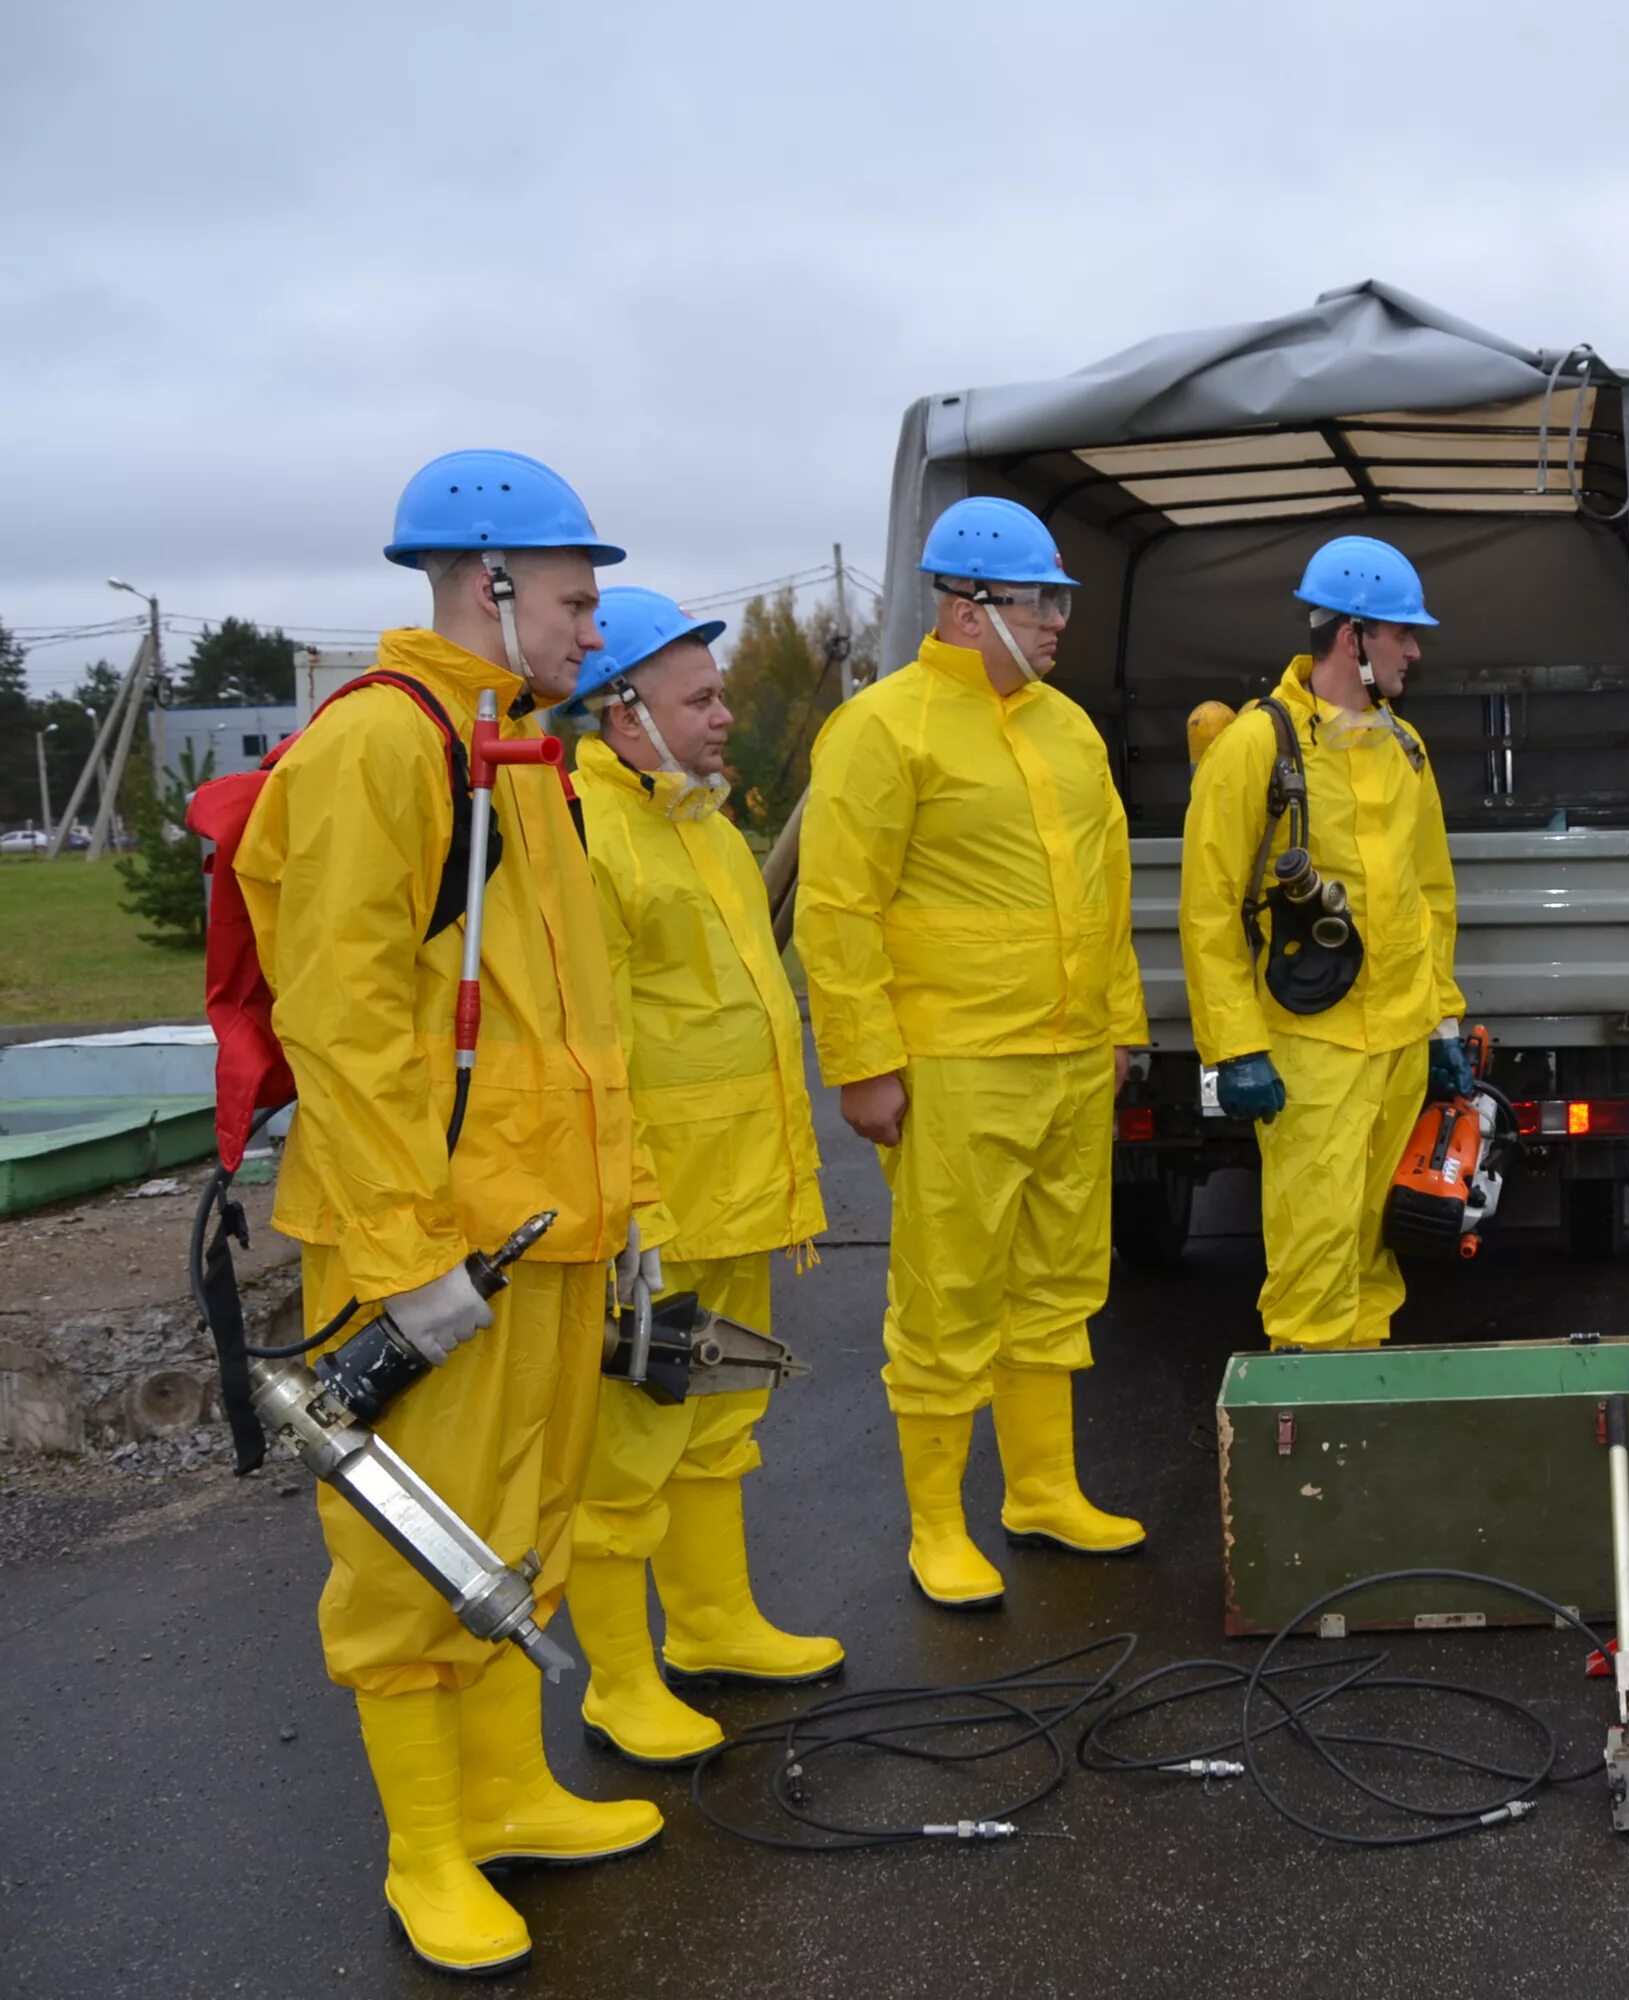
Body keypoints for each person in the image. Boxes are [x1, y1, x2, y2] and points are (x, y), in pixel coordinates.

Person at [232, 451, 661, 1974]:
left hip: (542, 1225)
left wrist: (628, 1198)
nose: (590, 625)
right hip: (434, 1244)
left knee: (525, 1520)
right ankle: (429, 1852)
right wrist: (408, 1255)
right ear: (488, 583)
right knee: (418, 1547)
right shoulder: (383, 749)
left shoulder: (517, 759)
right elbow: (341, 1020)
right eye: (572, 595)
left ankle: (510, 1794)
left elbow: (573, 1021)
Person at [796, 496, 1148, 1609]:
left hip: (1070, 1056)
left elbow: (1105, 893)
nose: (1058, 623)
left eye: (1059, 602)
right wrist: (860, 1061)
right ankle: (938, 1525)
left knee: (1056, 1279)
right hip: (954, 1061)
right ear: (968, 606)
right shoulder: (881, 728)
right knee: (951, 1291)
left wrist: (1123, 1022)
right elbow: (838, 906)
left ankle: (1042, 1488)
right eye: (1042, 601)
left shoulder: (1068, 726)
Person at [560, 585, 841, 1764]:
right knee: (627, 1449)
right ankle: (620, 1680)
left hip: (736, 1190)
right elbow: (592, 1046)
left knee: (720, 1417)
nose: (726, 715)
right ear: (623, 711)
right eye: (703, 697)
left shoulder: (705, 823)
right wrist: (633, 1209)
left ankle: (715, 1624)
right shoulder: (586, 833)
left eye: (719, 694)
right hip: (657, 1211)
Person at [1178, 535, 1468, 1351]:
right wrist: (1236, 1049)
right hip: (1310, 1050)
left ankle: (1358, 1445)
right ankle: (1309, 1462)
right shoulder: (1255, 748)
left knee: (1376, 1256)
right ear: (1354, 638)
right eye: (1401, 634)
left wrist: (1441, 1023)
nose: (1414, 650)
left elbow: (1430, 900)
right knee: (1313, 1264)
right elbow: (1207, 912)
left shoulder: (1404, 749)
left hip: (1400, 1047)